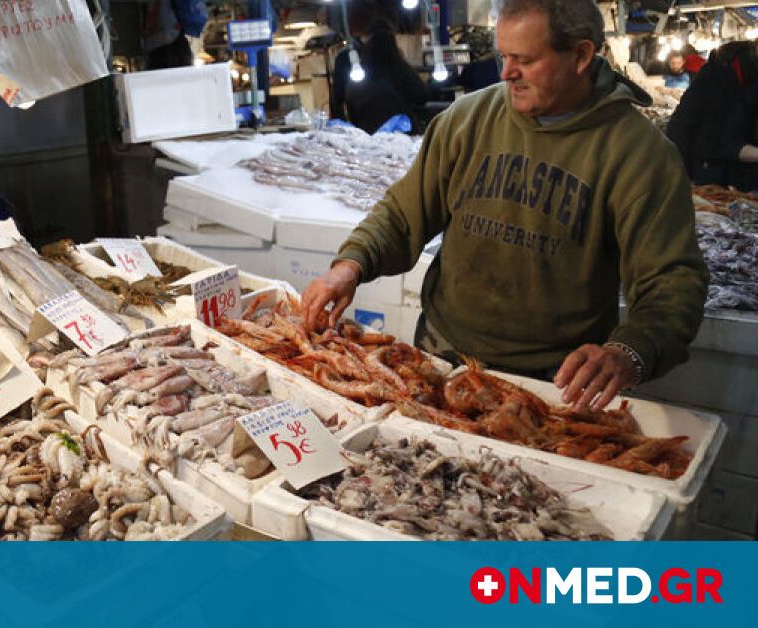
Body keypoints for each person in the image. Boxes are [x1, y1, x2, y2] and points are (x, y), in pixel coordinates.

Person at [301, 0, 708, 411]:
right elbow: (403, 213)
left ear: (581, 55)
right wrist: (350, 265)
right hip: (443, 358)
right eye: (504, 56)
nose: (506, 73)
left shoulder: (640, 155)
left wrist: (630, 352)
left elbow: (671, 283)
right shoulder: (466, 120)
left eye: (525, 60)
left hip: (554, 384)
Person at [667, 42, 758, 185]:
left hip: (739, 170)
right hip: (708, 166)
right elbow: (681, 123)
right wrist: (681, 174)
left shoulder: (748, 77)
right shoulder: (714, 75)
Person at [330, 20, 429, 133]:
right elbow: (422, 96)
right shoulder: (401, 69)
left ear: (368, 42)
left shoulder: (358, 75)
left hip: (368, 135)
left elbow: (343, 102)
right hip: (402, 134)